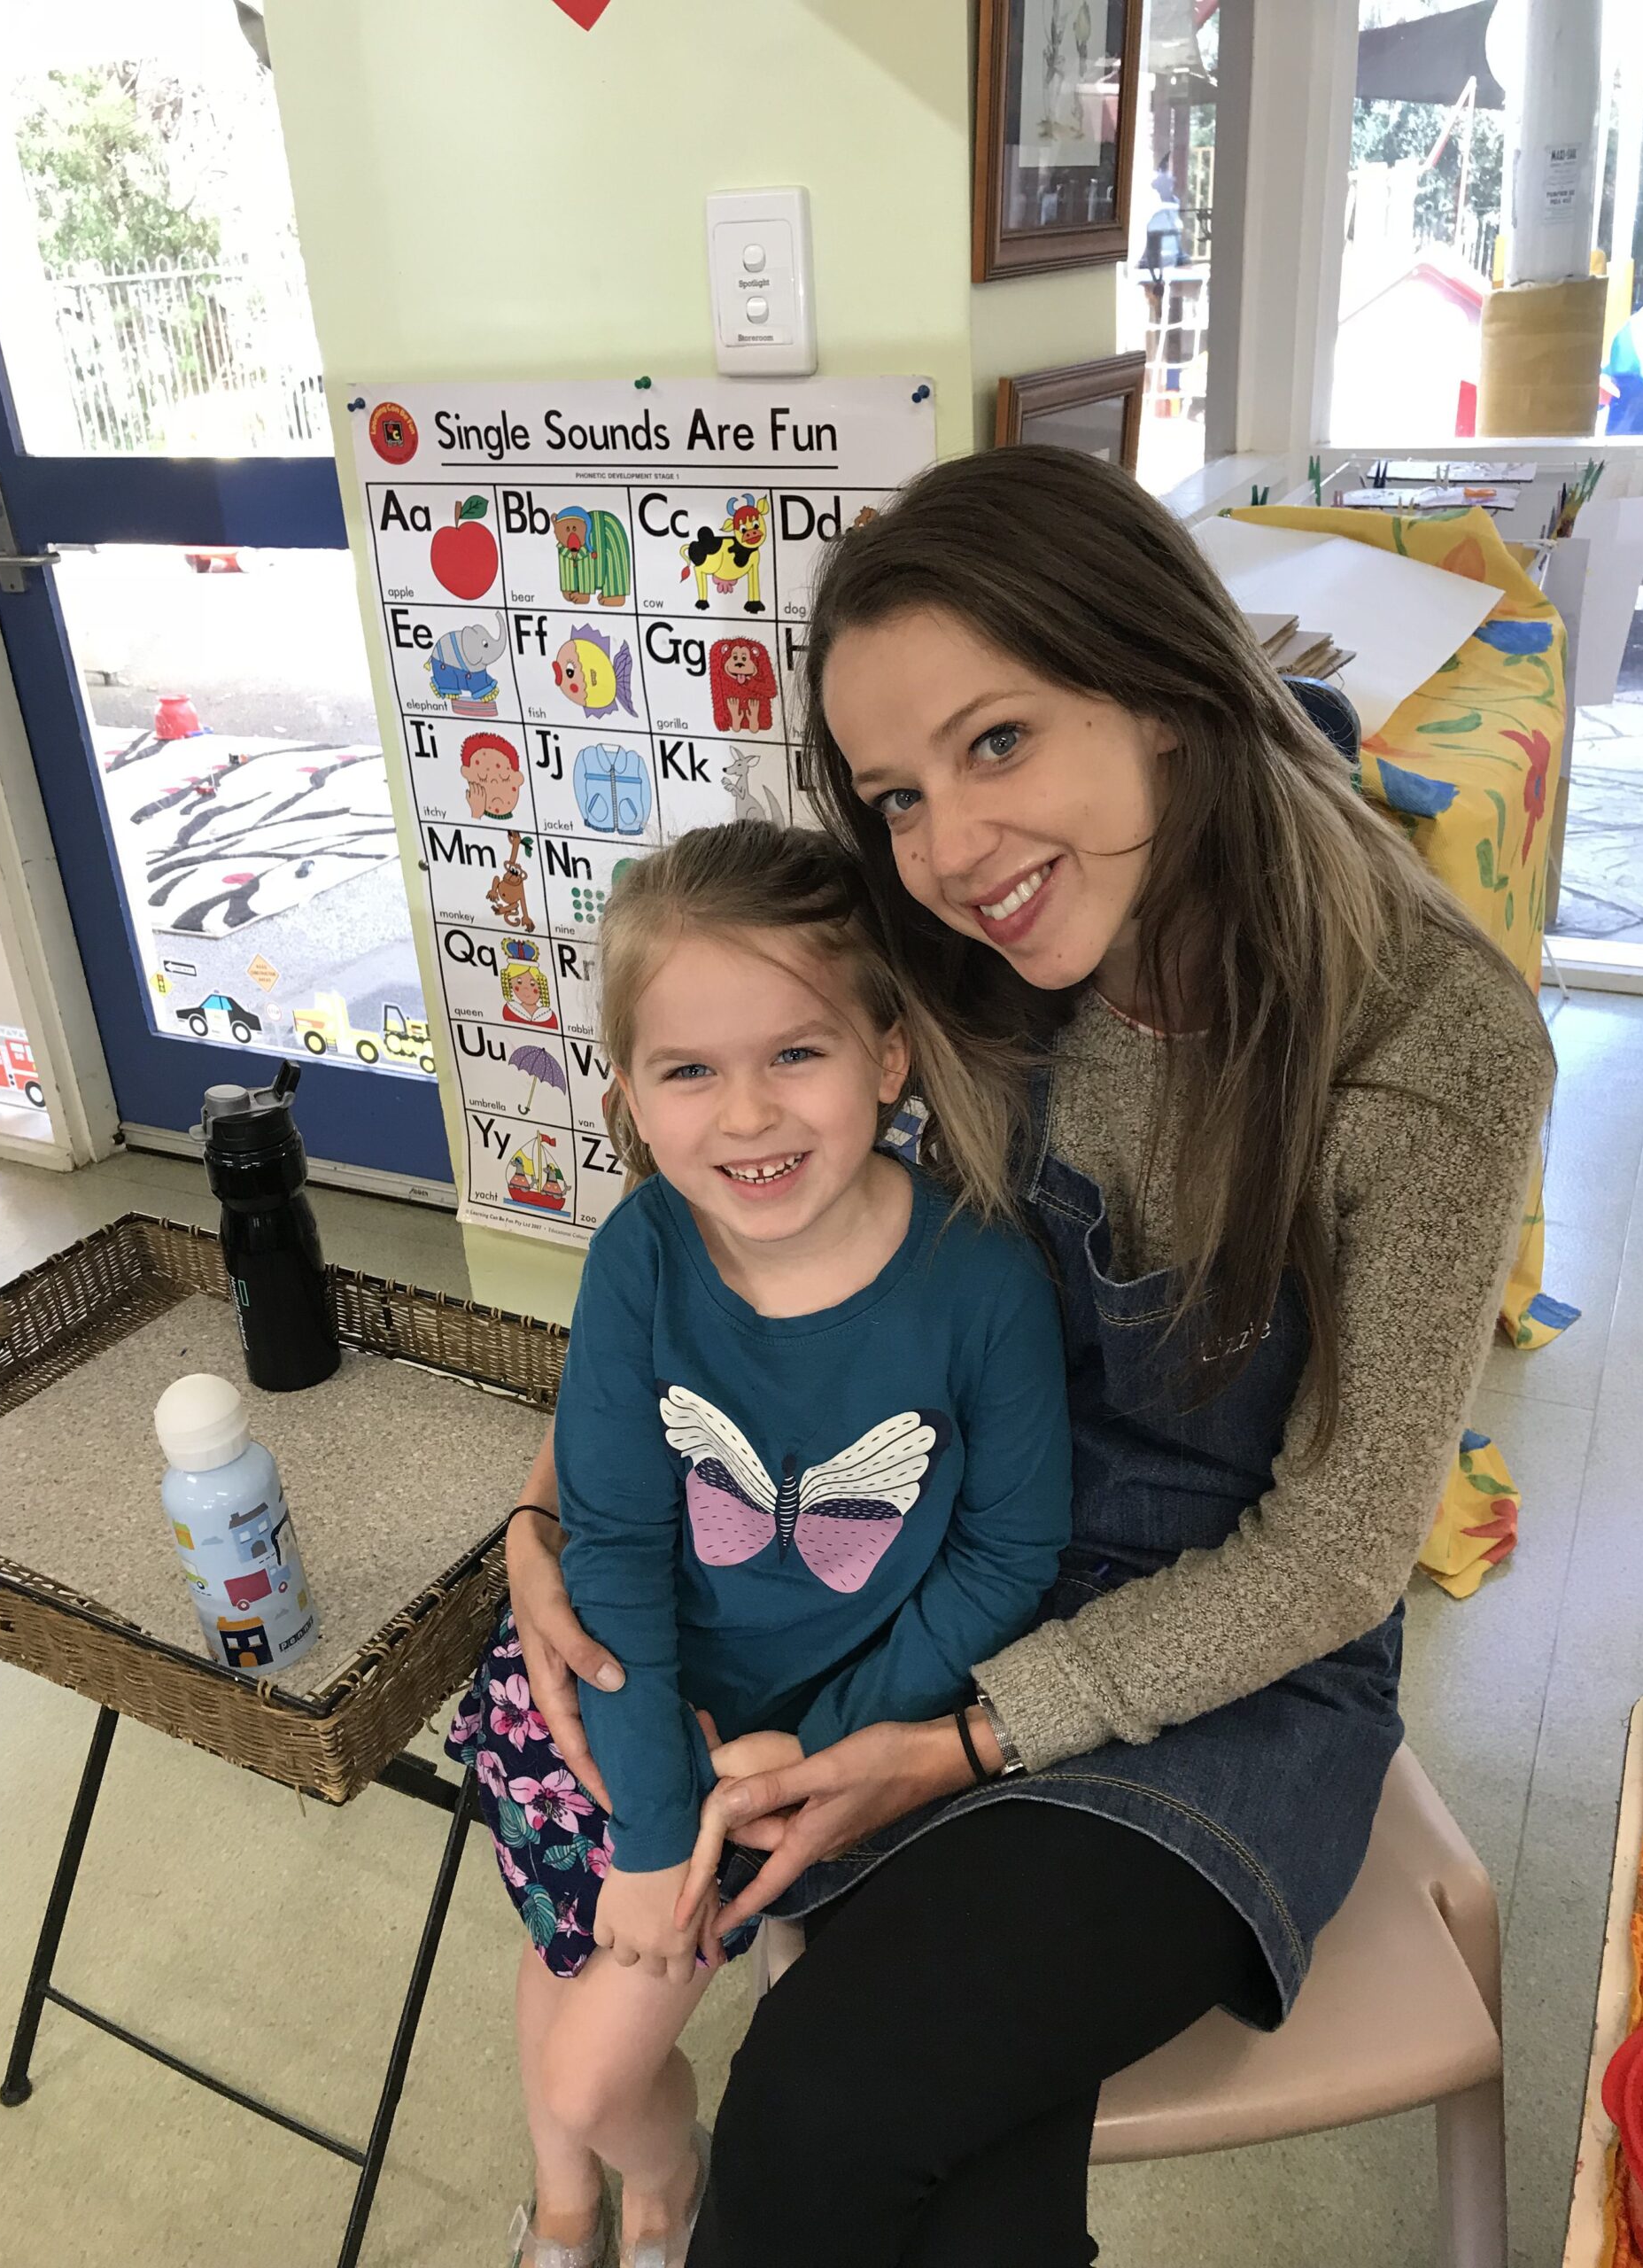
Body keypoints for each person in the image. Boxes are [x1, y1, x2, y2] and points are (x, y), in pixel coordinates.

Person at [500, 446, 1556, 2265]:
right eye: (899, 796)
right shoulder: (948, 952)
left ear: (1167, 689)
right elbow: (721, 1246)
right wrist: (546, 1510)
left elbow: (1334, 1555)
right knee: (916, 2155)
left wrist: (964, 1739)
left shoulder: (1428, 1041)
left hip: (1224, 1677)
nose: (951, 850)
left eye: (999, 742)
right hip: (928, 1583)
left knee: (825, 2106)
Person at [448, 819, 1072, 2266]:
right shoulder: (640, 1254)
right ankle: (570, 2204)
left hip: (796, 1742)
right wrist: (654, 1828)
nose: (747, 1116)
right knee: (566, 1959)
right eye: (688, 1071)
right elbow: (612, 1543)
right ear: (627, 1097)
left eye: (795, 1053)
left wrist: (821, 1744)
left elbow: (1005, 1555)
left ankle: (661, 2182)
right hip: (623, 1698)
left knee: (591, 2072)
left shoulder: (981, 1280)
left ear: (888, 1057)